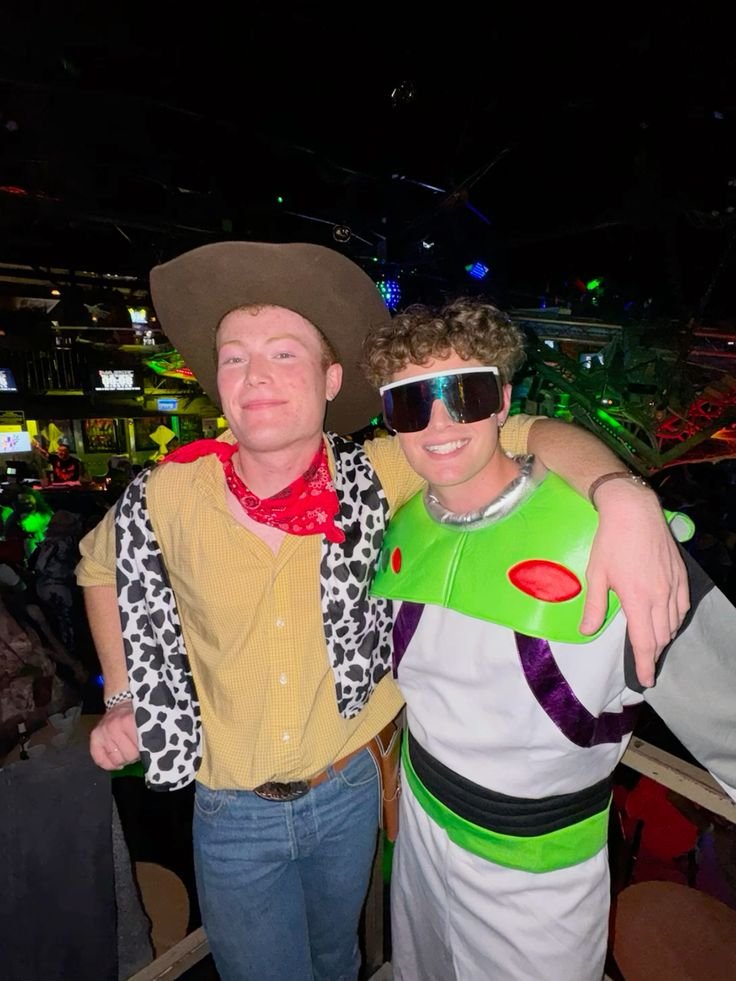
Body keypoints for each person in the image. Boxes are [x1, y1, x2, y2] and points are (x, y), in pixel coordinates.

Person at [76, 242, 688, 981]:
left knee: (341, 960)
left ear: (330, 379)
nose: (256, 375)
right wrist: (123, 694)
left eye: (282, 353)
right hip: (232, 808)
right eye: (234, 358)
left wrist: (622, 493)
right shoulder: (167, 491)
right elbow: (97, 567)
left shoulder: (381, 468)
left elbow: (518, 433)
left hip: (352, 788)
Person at [363, 298, 736, 981]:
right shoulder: (403, 521)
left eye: (465, 394)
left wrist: (622, 493)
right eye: (412, 402)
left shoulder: (615, 539)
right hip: (418, 830)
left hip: (534, 875)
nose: (439, 424)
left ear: (503, 402)